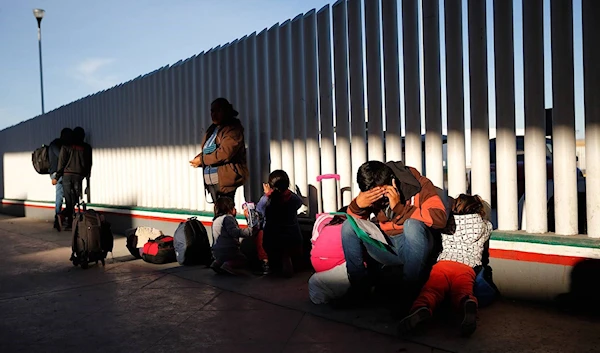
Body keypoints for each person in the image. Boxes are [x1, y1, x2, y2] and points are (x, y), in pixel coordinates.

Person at [335, 160, 447, 307]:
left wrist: (401, 209)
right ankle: (359, 289)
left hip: (416, 244)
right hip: (389, 245)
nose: (381, 202)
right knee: (349, 225)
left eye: (382, 195)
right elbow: (357, 221)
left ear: (392, 182)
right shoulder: (373, 184)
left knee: (411, 225)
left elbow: (440, 218)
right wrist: (358, 206)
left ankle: (409, 295)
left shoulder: (418, 184)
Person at [398, 194, 492, 337]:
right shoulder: (485, 226)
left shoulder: (448, 222)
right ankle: (468, 302)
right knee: (462, 291)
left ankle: (422, 307)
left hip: (443, 265)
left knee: (431, 291)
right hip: (466, 267)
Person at [190, 98, 249, 203]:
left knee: (225, 213)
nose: (214, 114)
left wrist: (202, 160)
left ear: (226, 111)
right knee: (219, 212)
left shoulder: (232, 129)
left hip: (225, 181)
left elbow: (225, 153)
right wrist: (199, 157)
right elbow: (209, 149)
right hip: (212, 180)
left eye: (218, 111)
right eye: (212, 111)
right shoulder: (213, 129)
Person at [261, 170, 304, 278]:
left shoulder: (267, 200)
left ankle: (273, 267)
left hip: (272, 240)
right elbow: (299, 203)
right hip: (293, 238)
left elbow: (259, 209)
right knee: (287, 252)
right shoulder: (292, 198)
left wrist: (267, 193)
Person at [308, 209, 350, 304]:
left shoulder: (324, 223)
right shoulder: (349, 227)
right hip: (336, 266)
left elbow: (314, 243)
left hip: (316, 264)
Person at [54, 127, 92, 230]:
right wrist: (86, 175)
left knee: (68, 200)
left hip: (67, 176)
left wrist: (57, 177)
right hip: (78, 176)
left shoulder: (66, 146)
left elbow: (61, 162)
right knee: (75, 199)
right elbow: (89, 163)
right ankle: (69, 222)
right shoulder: (86, 147)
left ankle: (63, 216)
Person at [210, 196, 258, 275]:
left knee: (222, 257)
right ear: (229, 209)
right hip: (229, 249)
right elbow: (234, 232)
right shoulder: (228, 218)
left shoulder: (216, 220)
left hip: (216, 251)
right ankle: (228, 265)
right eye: (233, 207)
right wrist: (249, 231)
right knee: (242, 259)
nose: (235, 210)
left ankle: (217, 263)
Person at [49, 128, 73, 231]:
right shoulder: (56, 145)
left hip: (57, 173)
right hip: (58, 173)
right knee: (61, 195)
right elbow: (62, 157)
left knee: (62, 195)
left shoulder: (55, 144)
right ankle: (59, 217)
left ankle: (59, 218)